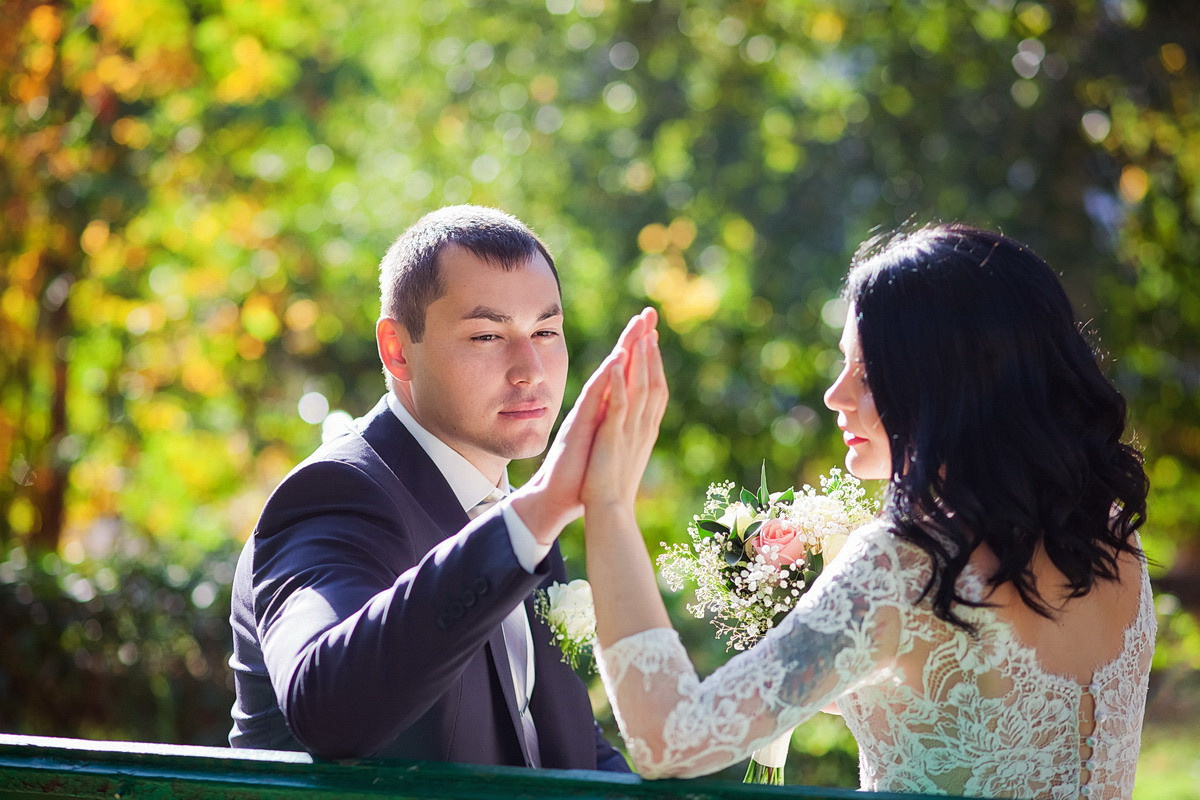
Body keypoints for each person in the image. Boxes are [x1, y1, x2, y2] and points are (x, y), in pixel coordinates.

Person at [578, 223, 1155, 799]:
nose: (835, 395)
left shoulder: (905, 564)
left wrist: (607, 506)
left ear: (951, 383)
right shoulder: (1114, 543)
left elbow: (671, 741)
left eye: (869, 372)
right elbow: (955, 709)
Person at [229, 204, 651, 769]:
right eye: (486, 335)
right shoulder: (336, 494)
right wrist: (531, 515)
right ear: (398, 350)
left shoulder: (513, 515)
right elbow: (325, 707)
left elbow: (567, 745)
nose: (530, 368)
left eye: (546, 331)